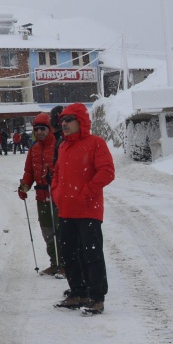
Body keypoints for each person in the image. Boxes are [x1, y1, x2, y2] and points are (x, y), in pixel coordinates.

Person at [50, 104, 116, 315]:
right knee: (69, 254)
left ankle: (97, 297)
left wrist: (87, 192)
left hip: (88, 210)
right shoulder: (63, 146)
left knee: (92, 254)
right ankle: (78, 292)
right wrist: (57, 193)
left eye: (69, 119)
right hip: (66, 210)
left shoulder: (95, 143)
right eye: (62, 120)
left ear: (81, 121)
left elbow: (107, 171)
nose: (64, 123)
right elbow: (57, 174)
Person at [18, 113, 61, 276]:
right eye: (36, 130)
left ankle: (64, 263)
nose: (39, 133)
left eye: (43, 129)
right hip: (41, 197)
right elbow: (29, 171)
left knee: (60, 230)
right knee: (47, 231)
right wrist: (25, 186)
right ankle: (54, 262)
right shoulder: (34, 149)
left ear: (49, 129)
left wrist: (54, 177)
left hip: (56, 195)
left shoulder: (58, 145)